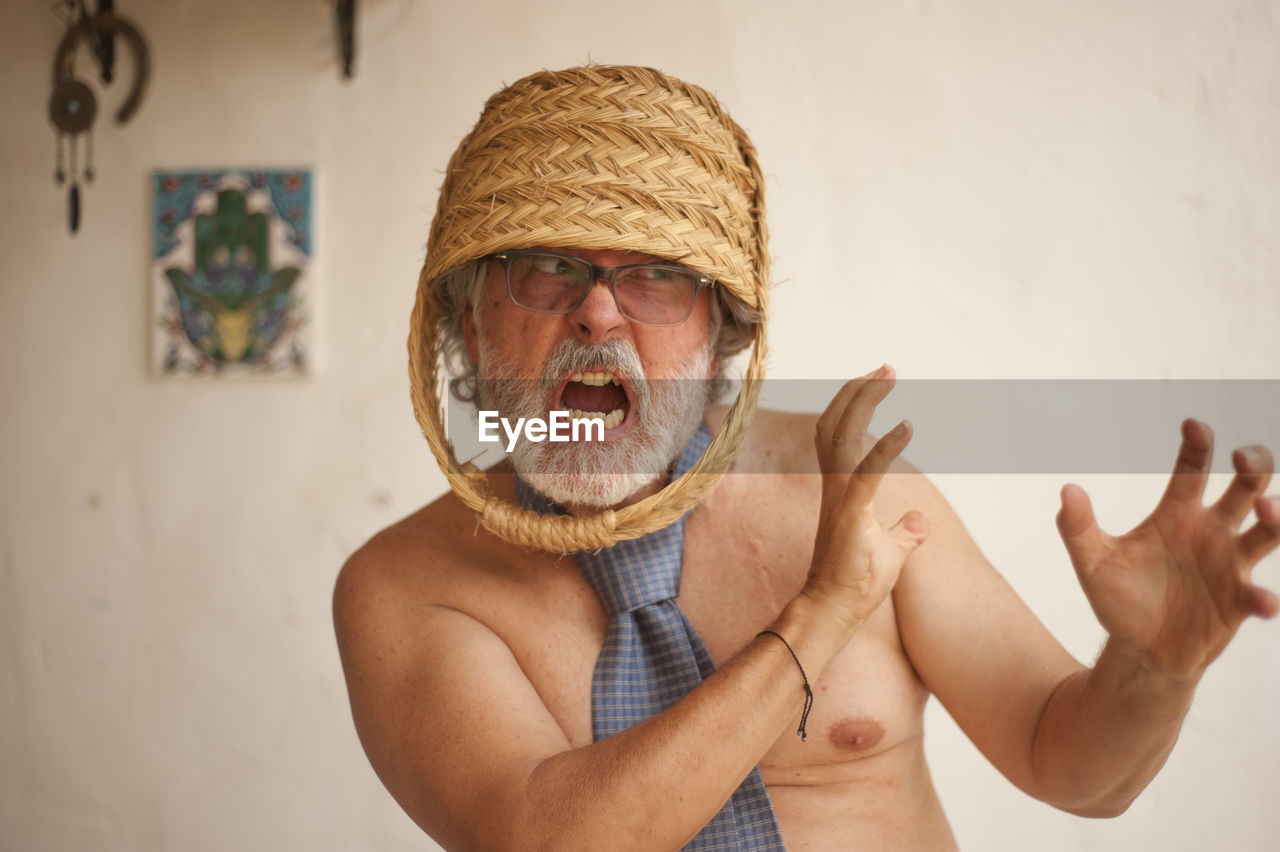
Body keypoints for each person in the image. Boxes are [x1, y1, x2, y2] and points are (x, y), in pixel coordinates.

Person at [333, 64, 1279, 851]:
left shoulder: (849, 488)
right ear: (467, 313)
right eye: (547, 267)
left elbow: (1072, 769)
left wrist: (1154, 666)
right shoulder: (404, 586)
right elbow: (547, 841)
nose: (599, 312)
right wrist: (820, 617)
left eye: (658, 274)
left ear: (724, 331)